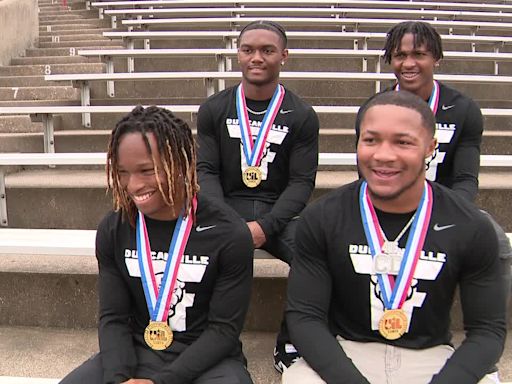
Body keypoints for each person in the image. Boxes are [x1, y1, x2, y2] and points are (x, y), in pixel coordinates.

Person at [284, 90, 507, 384]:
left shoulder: (470, 225)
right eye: (371, 140)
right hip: (349, 352)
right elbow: (305, 318)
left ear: (431, 147)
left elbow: (487, 331)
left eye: (402, 142)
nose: (383, 155)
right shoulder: (322, 217)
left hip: (432, 357)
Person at [60, 106, 254, 384]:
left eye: (146, 171)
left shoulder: (229, 233)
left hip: (206, 360)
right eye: (123, 172)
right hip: (137, 352)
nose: (133, 185)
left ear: (180, 163)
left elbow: (223, 331)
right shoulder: (114, 229)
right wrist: (120, 377)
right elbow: (113, 318)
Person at [196, 20, 319, 373]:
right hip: (225, 207)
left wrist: (265, 227)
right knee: (205, 248)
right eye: (248, 49)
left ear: (284, 55)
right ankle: (216, 341)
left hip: (278, 213)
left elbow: (301, 183)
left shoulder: (302, 114)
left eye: (267, 50)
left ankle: (292, 341)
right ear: (238, 54)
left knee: (315, 256)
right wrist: (227, 222)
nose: (257, 58)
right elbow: (207, 172)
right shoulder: (214, 108)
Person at [355, 20, 512, 291]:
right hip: (384, 207)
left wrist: (437, 213)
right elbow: (368, 174)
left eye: (419, 54)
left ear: (436, 58)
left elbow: (465, 179)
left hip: (445, 205)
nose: (408, 64)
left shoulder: (462, 109)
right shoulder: (374, 109)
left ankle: (489, 323)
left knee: (496, 243)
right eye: (400, 55)